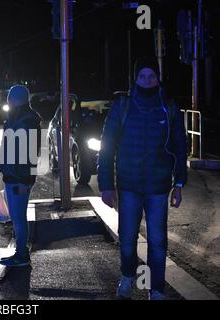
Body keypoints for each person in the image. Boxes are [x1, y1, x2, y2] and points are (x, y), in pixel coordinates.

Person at [98, 57, 188, 300]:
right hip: (128, 186)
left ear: (158, 78)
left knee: (158, 242)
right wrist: (106, 185)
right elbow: (107, 146)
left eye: (152, 76)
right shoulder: (123, 106)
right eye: (142, 76)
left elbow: (181, 146)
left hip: (159, 187)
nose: (147, 81)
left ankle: (156, 289)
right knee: (127, 237)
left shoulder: (168, 107)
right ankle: (127, 276)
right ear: (135, 79)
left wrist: (179, 184)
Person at [0, 85, 42, 268]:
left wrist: (28, 181)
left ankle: (22, 254)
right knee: (17, 216)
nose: (8, 100)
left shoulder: (26, 121)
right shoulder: (16, 119)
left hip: (19, 178)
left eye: (11, 97)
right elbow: (6, 149)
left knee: (18, 217)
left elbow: (32, 154)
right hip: (13, 176)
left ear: (18, 99)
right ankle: (20, 253)